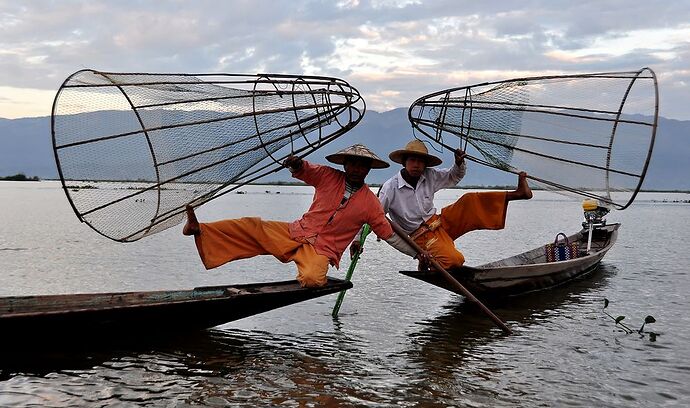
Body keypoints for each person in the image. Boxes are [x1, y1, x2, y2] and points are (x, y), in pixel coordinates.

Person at [183, 144, 415, 287]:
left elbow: (389, 234)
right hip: (296, 232)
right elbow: (306, 169)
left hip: (322, 249)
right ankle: (200, 229)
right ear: (345, 164)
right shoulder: (327, 176)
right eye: (352, 164)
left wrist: (416, 255)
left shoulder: (371, 203)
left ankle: (305, 269)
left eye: (362, 166)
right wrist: (295, 164)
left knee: (313, 280)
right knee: (251, 226)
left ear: (368, 169)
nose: (357, 169)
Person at [351, 139, 532, 270]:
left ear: (425, 165)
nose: (416, 165)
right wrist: (358, 240)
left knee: (470, 200)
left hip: (441, 222)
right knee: (455, 260)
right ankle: (428, 263)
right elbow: (372, 217)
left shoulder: (429, 175)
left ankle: (518, 194)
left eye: (420, 161)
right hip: (421, 236)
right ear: (405, 162)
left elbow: (454, 176)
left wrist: (459, 163)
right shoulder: (390, 188)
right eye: (412, 161)